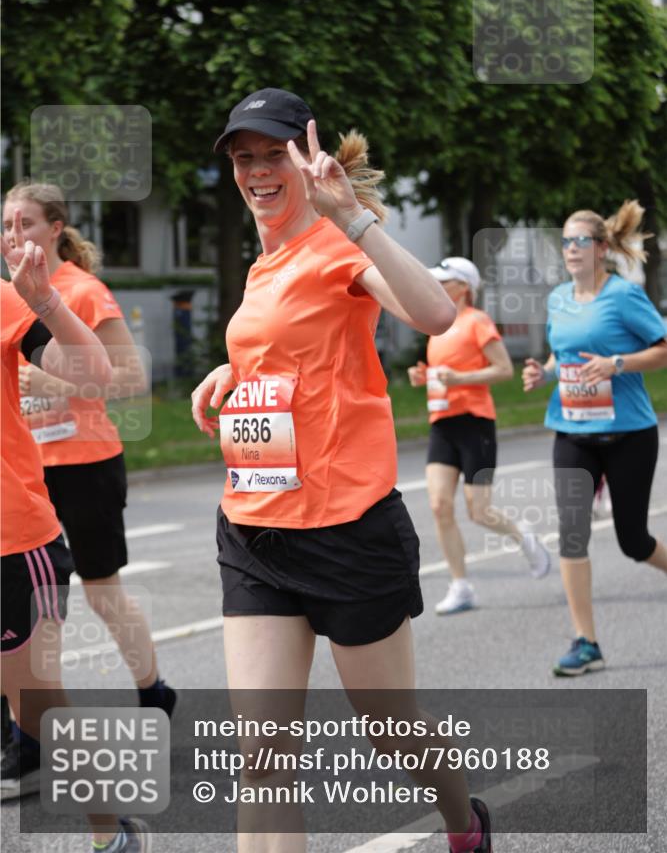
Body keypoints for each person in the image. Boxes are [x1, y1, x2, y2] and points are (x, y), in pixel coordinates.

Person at [191, 88, 493, 853]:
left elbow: (433, 316)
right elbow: (288, 353)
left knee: (390, 731)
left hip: (347, 527)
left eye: (272, 155)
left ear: (304, 160)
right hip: (256, 529)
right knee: (262, 758)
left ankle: (463, 822)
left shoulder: (338, 244)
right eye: (242, 156)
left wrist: (350, 214)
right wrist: (229, 374)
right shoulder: (265, 263)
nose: (257, 170)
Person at [1, 183, 176, 796]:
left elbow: (127, 376)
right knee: (26, 616)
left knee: (102, 593)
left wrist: (56, 388)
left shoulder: (77, 290)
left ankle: (153, 689)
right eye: (6, 224)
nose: (14, 233)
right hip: (29, 471)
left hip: (85, 463)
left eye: (26, 221)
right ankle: (24, 737)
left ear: (55, 228)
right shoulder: (7, 299)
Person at [522, 201, 667, 675]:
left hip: (629, 433)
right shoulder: (558, 298)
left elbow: (662, 348)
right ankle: (586, 642)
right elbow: (558, 356)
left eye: (579, 241)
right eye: (564, 241)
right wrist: (540, 373)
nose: (570, 249)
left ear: (602, 248)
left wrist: (617, 364)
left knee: (633, 540)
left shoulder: (623, 296)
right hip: (573, 432)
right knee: (572, 533)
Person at [408, 257, 550, 615]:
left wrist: (461, 379)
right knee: (440, 506)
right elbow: (443, 373)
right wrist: (424, 376)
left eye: (445, 280)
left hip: (475, 423)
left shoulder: (477, 321)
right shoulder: (436, 327)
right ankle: (461, 585)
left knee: (478, 510)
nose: (437, 284)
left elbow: (503, 369)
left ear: (464, 288)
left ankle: (523, 536)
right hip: (442, 423)